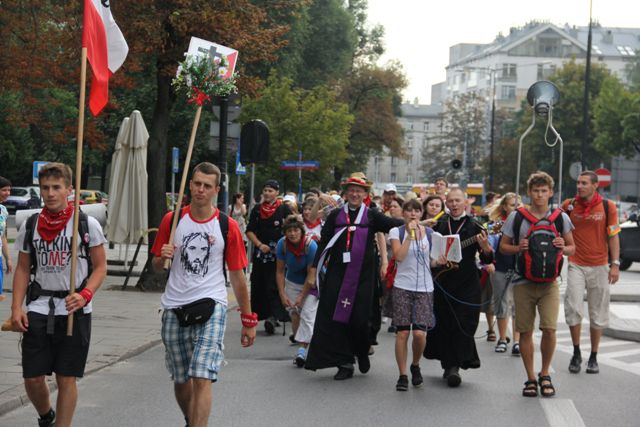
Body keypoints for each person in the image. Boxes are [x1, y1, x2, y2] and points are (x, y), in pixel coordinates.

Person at [152, 162, 256, 427]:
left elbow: (237, 276)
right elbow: (156, 265)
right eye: (197, 184)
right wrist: (160, 257)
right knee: (181, 378)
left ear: (216, 190)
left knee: (202, 376)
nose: (201, 190)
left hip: (212, 305)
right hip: (174, 307)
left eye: (207, 186)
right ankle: (191, 419)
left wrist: (248, 319)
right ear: (190, 185)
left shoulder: (227, 225)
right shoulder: (172, 220)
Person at [11, 163, 107, 427]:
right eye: (45, 188)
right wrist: (16, 308)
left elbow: (100, 267)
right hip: (40, 306)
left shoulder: (87, 225)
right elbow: (22, 269)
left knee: (66, 377)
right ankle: (46, 415)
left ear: (69, 190)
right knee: (32, 377)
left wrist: (86, 293)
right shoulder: (31, 225)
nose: (50, 193)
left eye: (56, 187)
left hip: (75, 309)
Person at [304, 172, 403, 380]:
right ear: (346, 193)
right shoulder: (335, 215)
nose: (355, 194)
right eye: (351, 191)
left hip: (363, 277)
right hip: (337, 275)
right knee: (337, 318)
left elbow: (392, 225)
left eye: (359, 191)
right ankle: (344, 362)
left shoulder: (371, 215)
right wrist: (314, 269)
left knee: (360, 319)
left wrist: (412, 222)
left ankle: (362, 349)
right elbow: (324, 243)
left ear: (365, 194)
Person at [500, 171, 575, 398]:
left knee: (550, 329)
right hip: (523, 281)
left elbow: (573, 248)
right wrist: (518, 248)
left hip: (550, 283)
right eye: (536, 191)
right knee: (525, 332)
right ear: (529, 192)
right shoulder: (517, 216)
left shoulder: (561, 217)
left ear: (551, 192)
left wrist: (563, 245)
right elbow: (503, 247)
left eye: (544, 191)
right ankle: (530, 378)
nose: (540, 195)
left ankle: (544, 373)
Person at [424, 188, 494, 387]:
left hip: (467, 283)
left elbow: (487, 257)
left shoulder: (475, 226)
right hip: (443, 281)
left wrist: (486, 247)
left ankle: (457, 364)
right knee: (445, 323)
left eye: (457, 201)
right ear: (446, 203)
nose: (454, 205)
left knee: (464, 323)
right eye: (451, 201)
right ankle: (449, 365)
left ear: (465, 203)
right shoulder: (438, 224)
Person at [562, 170, 620, 375]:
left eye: (584, 183)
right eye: (578, 182)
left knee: (598, 312)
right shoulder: (569, 205)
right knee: (573, 308)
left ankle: (594, 356)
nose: (579, 186)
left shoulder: (607, 206)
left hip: (599, 265)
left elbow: (613, 236)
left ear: (595, 185)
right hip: (576, 263)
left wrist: (615, 264)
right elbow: (556, 226)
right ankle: (576, 352)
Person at [389, 199, 445, 391]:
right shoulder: (397, 232)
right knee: (403, 332)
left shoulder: (431, 234)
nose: (413, 214)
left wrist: (440, 261)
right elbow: (399, 256)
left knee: (420, 334)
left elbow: (432, 262)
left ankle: (415, 364)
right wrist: (410, 236)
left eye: (416, 211)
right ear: (403, 213)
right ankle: (402, 374)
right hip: (402, 286)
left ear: (421, 214)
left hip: (425, 288)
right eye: (409, 211)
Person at [245, 180, 292, 334]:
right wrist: (259, 245)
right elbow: (250, 230)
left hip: (278, 254)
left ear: (277, 193)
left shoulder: (284, 209)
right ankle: (266, 315)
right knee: (260, 284)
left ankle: (274, 316)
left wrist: (285, 242)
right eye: (265, 190)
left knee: (275, 284)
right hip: (261, 253)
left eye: (271, 191)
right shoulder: (257, 210)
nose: (267, 193)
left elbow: (292, 228)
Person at [276, 215, 319, 367]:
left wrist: (302, 296)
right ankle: (302, 341)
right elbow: (280, 271)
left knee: (307, 314)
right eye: (289, 231)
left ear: (301, 231)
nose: (292, 234)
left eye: (295, 230)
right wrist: (282, 294)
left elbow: (311, 276)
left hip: (312, 283)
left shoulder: (311, 246)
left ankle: (303, 350)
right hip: (292, 282)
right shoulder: (282, 245)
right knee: (295, 314)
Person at [487, 192, 522, 355]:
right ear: (504, 207)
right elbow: (489, 248)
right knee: (501, 303)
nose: (516, 207)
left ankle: (517, 341)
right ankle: (502, 339)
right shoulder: (496, 225)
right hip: (500, 266)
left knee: (518, 306)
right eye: (511, 204)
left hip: (521, 268)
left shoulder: (525, 222)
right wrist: (488, 263)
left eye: (518, 204)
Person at [0, 176, 12, 301]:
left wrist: (8, 258)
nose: (7, 193)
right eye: (4, 190)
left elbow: (2, 236)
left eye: (9, 190)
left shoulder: (3, 210)